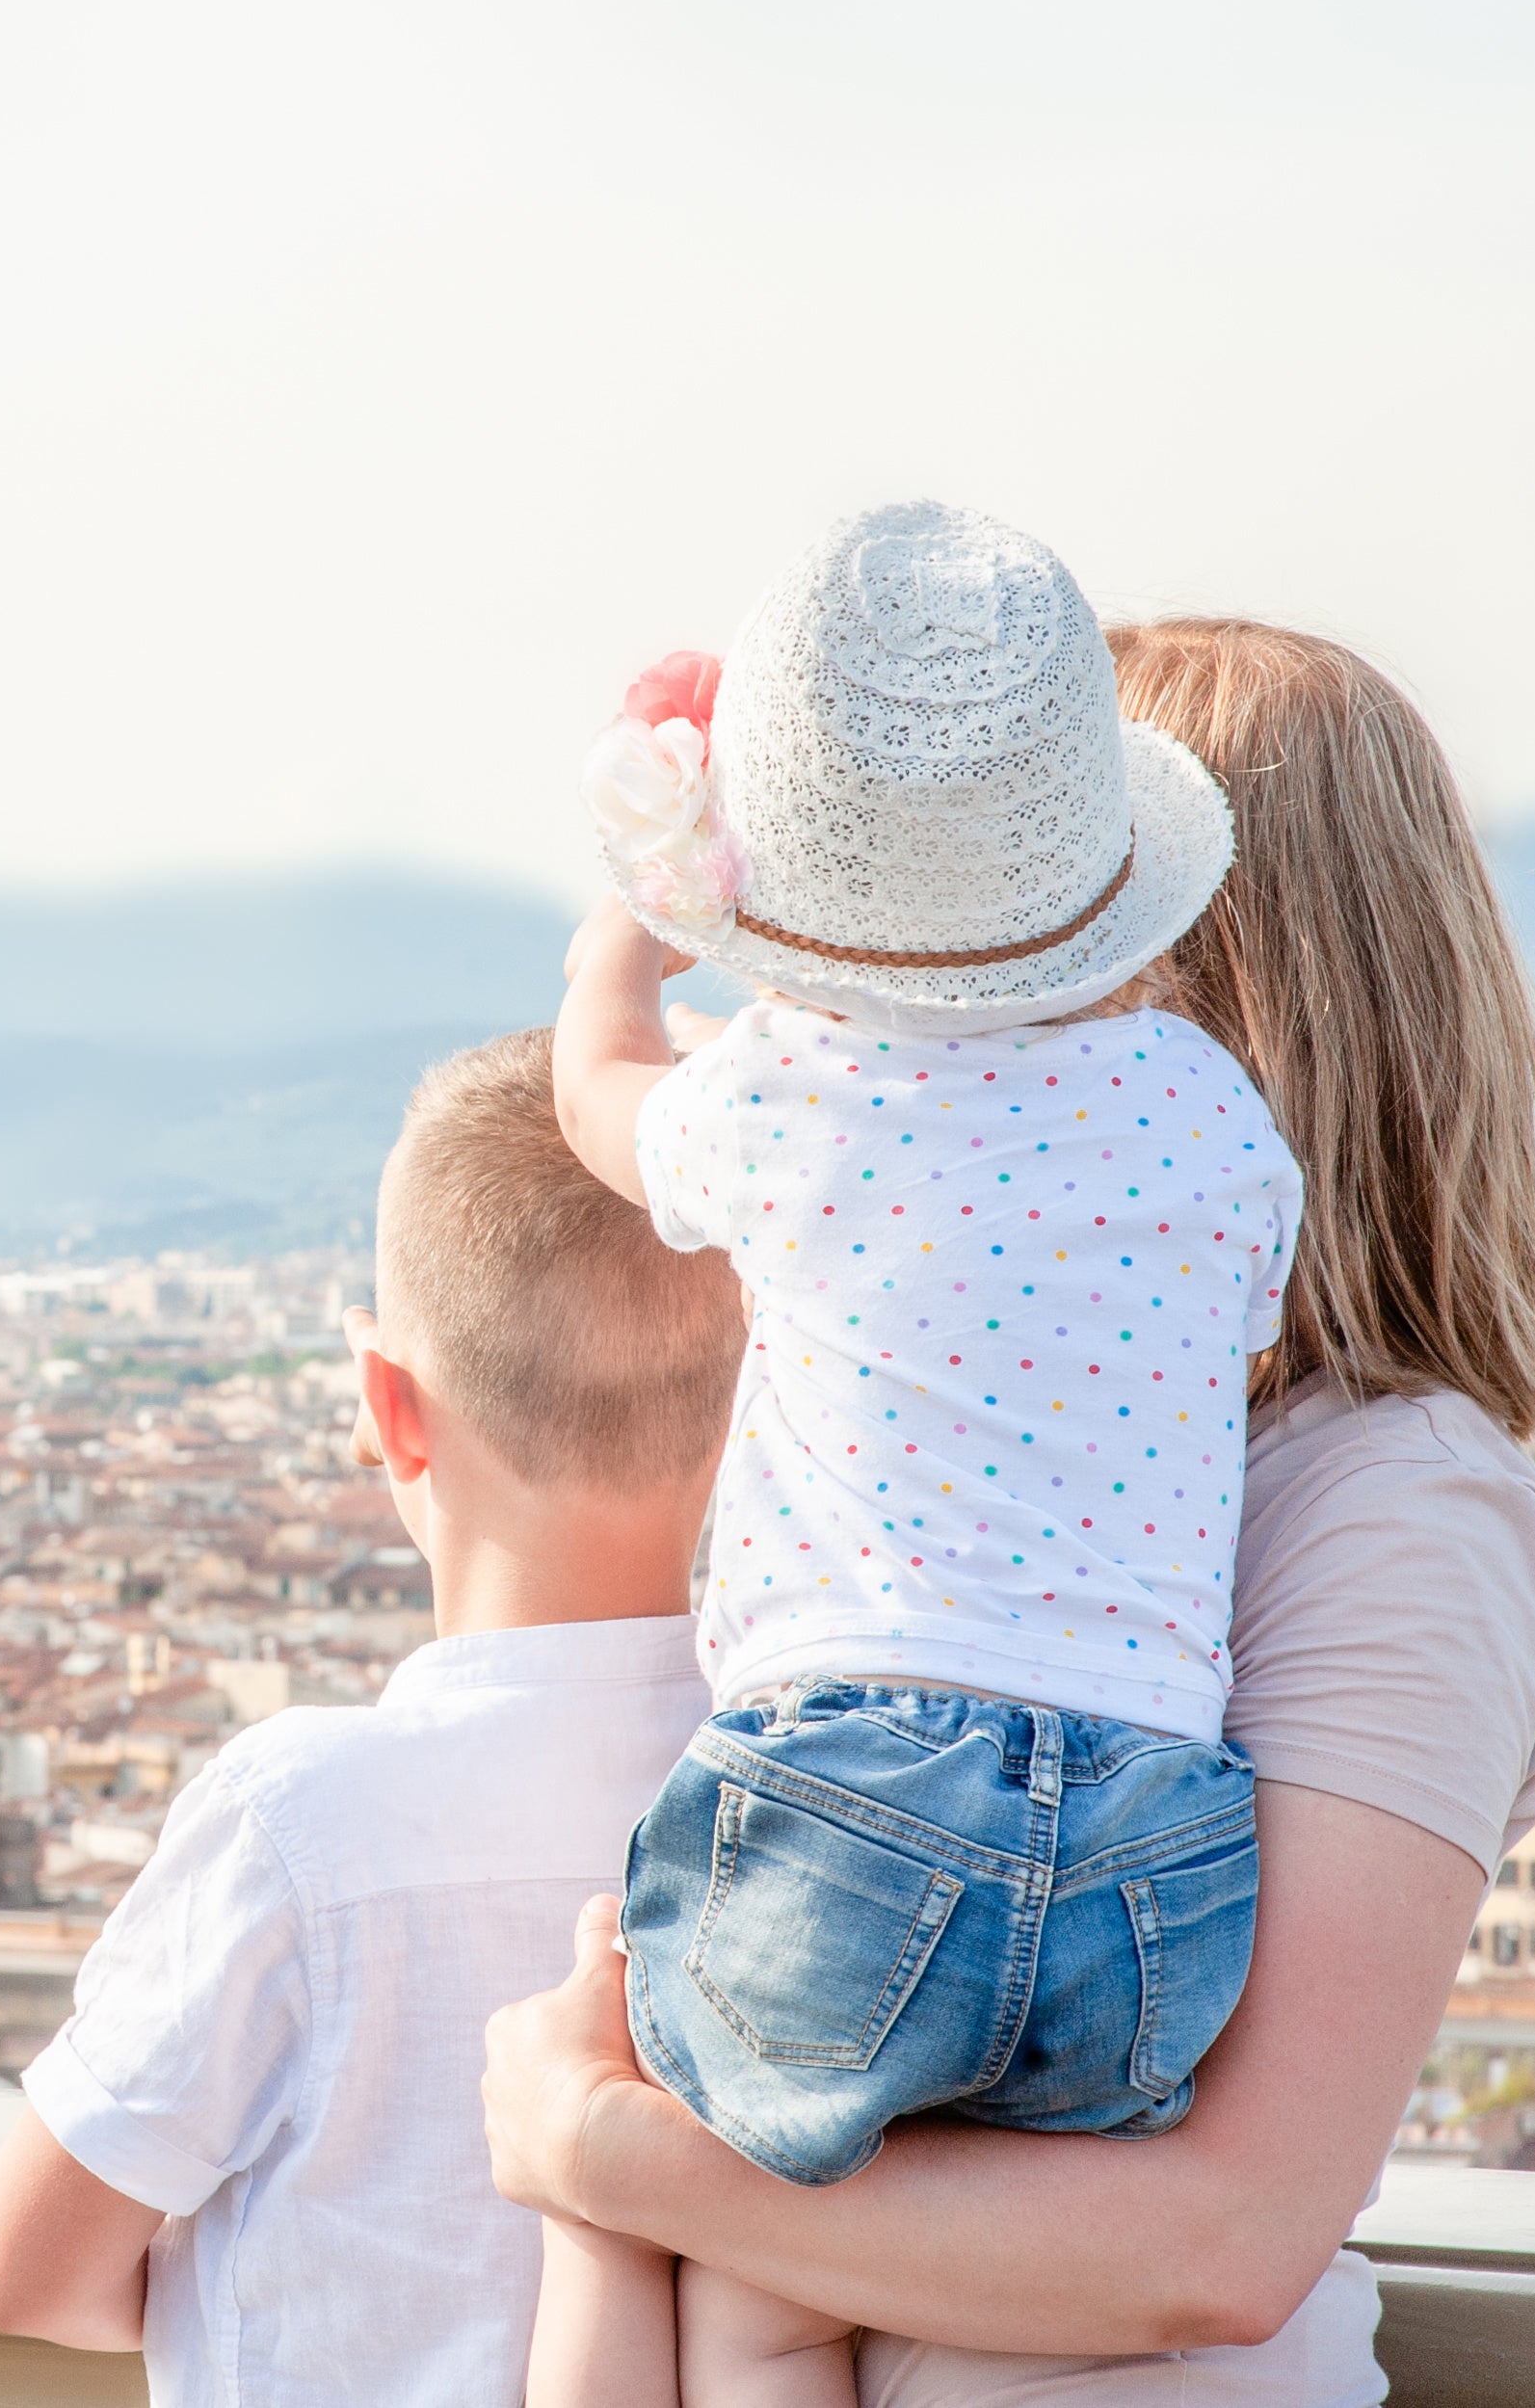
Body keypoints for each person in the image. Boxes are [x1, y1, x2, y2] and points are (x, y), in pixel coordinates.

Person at [485, 612, 1535, 2408]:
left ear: (1190, 965)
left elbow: (1220, 2245)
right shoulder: (1069, 1482)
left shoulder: (1409, 1510)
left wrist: (603, 2153)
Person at [540, 503, 1302, 2408]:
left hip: (847, 1796)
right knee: (982, 2252)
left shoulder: (790, 1093)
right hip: (1158, 1850)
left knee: (757, 2277)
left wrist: (615, 959)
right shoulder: (1208, 1111)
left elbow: (597, 1099)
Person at [0, 1027, 747, 2406]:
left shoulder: (297, 1821)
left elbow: (22, 2267)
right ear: (751, 1410)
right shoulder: (805, 1789)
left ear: (387, 1402)